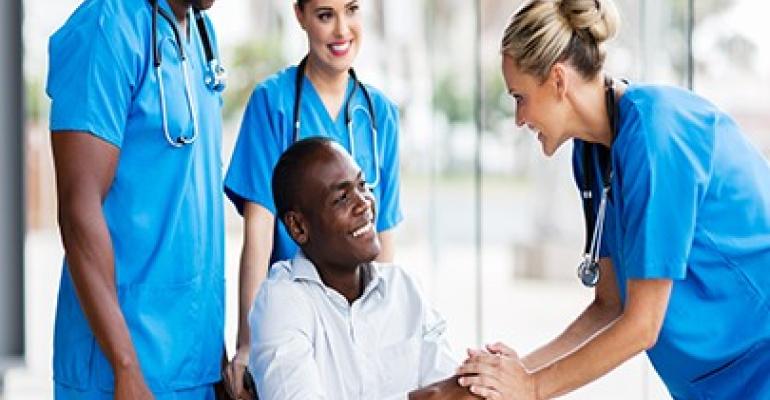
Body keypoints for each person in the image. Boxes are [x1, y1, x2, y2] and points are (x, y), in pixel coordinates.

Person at [456, 0, 770, 399]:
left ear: (557, 80)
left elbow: (642, 324)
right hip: (713, 383)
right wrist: (515, 373)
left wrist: (532, 389)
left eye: (519, 97)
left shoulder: (658, 136)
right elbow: (609, 304)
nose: (519, 119)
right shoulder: (591, 154)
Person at [222, 0, 403, 396]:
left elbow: (383, 241)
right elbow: (259, 232)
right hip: (290, 319)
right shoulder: (273, 103)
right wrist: (248, 343)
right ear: (300, 16)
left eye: (352, 10)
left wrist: (382, 334)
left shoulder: (381, 115)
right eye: (325, 15)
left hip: (356, 321)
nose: (342, 30)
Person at [47, 0, 227, 398]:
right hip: (121, 373)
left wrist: (216, 354)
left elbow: (191, 200)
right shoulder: (105, 27)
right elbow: (79, 210)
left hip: (194, 367)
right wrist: (125, 366)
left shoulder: (201, 32)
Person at [247, 137, 474, 400]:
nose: (364, 203)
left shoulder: (405, 289)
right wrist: (424, 397)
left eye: (363, 185)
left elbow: (453, 391)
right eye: (342, 198)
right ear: (298, 227)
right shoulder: (281, 302)